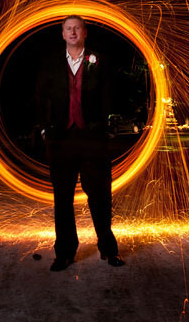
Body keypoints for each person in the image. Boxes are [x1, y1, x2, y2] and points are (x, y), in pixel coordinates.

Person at [35, 15, 124, 271]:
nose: (72, 32)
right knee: (62, 199)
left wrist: (106, 128)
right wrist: (44, 130)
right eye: (68, 29)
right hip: (61, 139)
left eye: (77, 28)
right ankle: (64, 253)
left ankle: (108, 250)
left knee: (100, 196)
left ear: (84, 32)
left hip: (92, 138)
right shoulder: (51, 62)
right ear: (63, 34)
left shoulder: (100, 60)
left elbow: (112, 94)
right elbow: (40, 97)